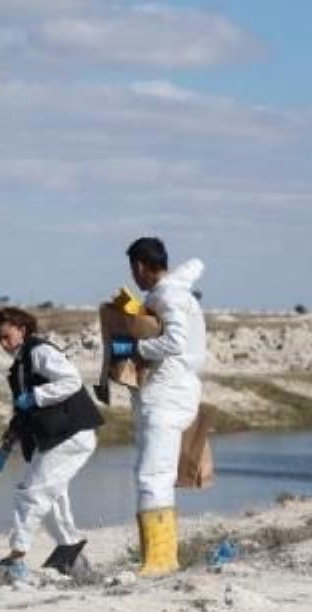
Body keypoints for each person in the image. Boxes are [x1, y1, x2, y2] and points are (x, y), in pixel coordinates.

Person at [108, 237, 206, 575]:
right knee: (154, 473)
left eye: (132, 268)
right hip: (172, 392)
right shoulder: (173, 292)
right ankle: (159, 557)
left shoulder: (168, 295)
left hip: (166, 396)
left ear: (139, 266)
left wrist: (137, 349)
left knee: (154, 476)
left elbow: (175, 341)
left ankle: (160, 560)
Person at [0, 307, 102, 577]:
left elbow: (71, 380)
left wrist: (37, 395)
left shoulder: (39, 352)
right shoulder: (20, 367)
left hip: (71, 434)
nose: (4, 343)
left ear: (22, 330)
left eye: (7, 336)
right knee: (52, 495)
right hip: (56, 438)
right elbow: (22, 412)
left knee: (32, 492)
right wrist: (6, 447)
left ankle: (17, 555)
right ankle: (70, 550)